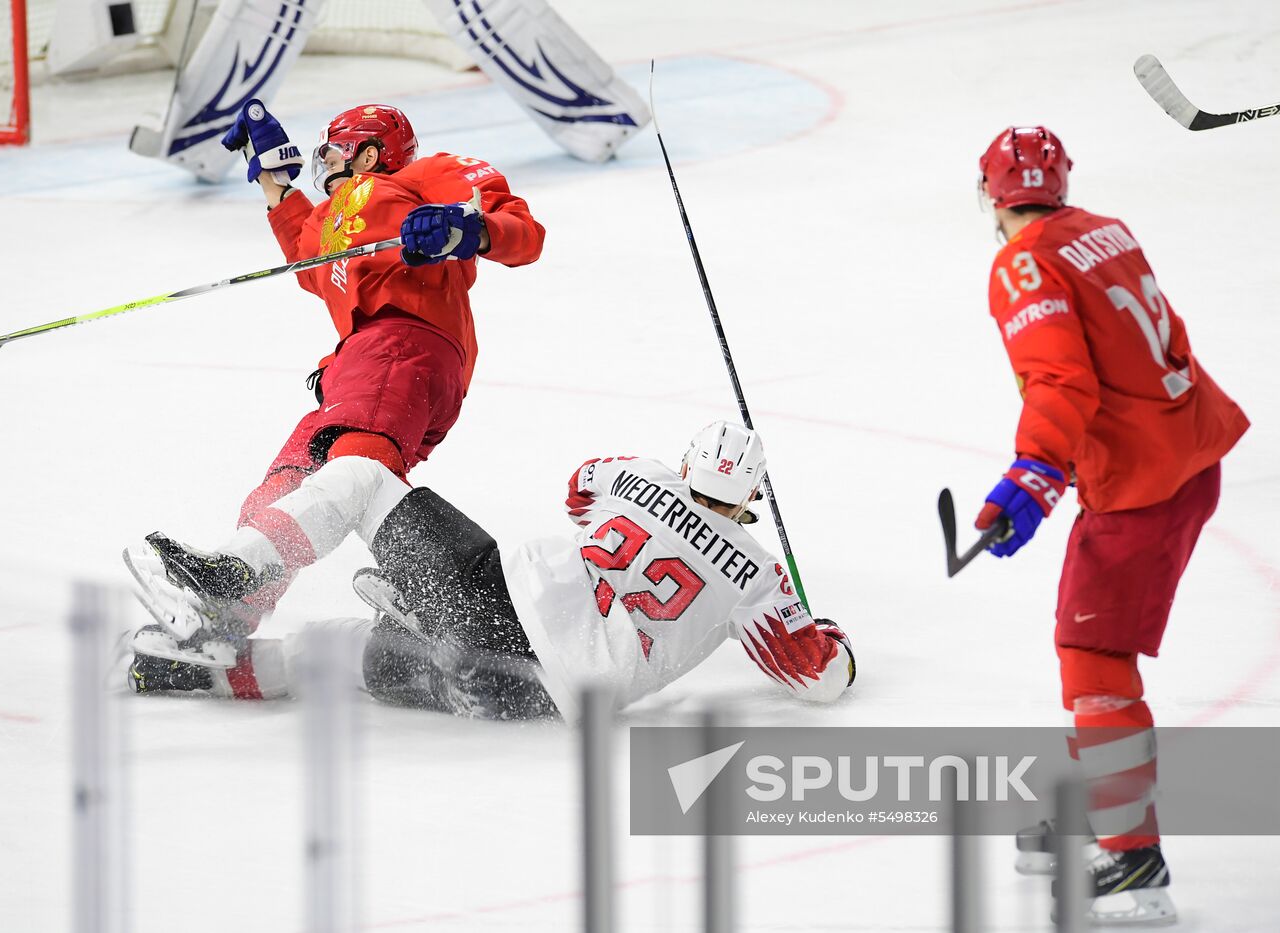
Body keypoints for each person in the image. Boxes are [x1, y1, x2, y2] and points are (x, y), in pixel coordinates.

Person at [972, 126, 1249, 925]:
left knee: (1093, 656)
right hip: (1189, 450)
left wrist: (1034, 472)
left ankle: (1132, 856)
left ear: (990, 193)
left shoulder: (1022, 263)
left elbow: (1060, 378)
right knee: (1093, 647)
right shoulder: (1103, 228)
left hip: (1143, 485)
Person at [122, 421, 855, 720]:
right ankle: (197, 673)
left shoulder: (638, 473)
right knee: (333, 651)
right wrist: (826, 633)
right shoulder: (758, 577)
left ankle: (237, 573)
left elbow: (581, 487)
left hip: (496, 600)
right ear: (752, 497)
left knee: (362, 477)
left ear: (690, 461)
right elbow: (822, 676)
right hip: (529, 694)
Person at [211, 98, 545, 631]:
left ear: (369, 154)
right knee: (295, 478)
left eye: (336, 152)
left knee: (355, 471)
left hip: (406, 344)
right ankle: (224, 616)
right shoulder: (327, 221)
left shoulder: (423, 175)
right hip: (354, 363)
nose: (326, 166)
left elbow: (524, 232)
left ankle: (244, 577)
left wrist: (466, 231)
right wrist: (273, 176)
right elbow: (311, 264)